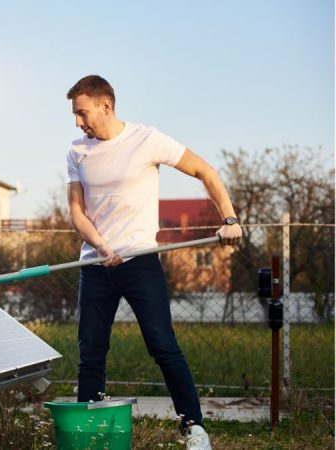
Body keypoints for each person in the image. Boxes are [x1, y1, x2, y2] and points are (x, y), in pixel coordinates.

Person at [65, 75, 242, 450]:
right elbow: (77, 213)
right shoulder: (77, 151)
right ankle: (88, 434)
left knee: (163, 345)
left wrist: (228, 219)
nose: (79, 122)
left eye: (82, 113)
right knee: (91, 352)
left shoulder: (147, 140)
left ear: (105, 105)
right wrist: (100, 245)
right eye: (76, 116)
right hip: (95, 267)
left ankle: (194, 428)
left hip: (140, 261)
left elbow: (204, 172)